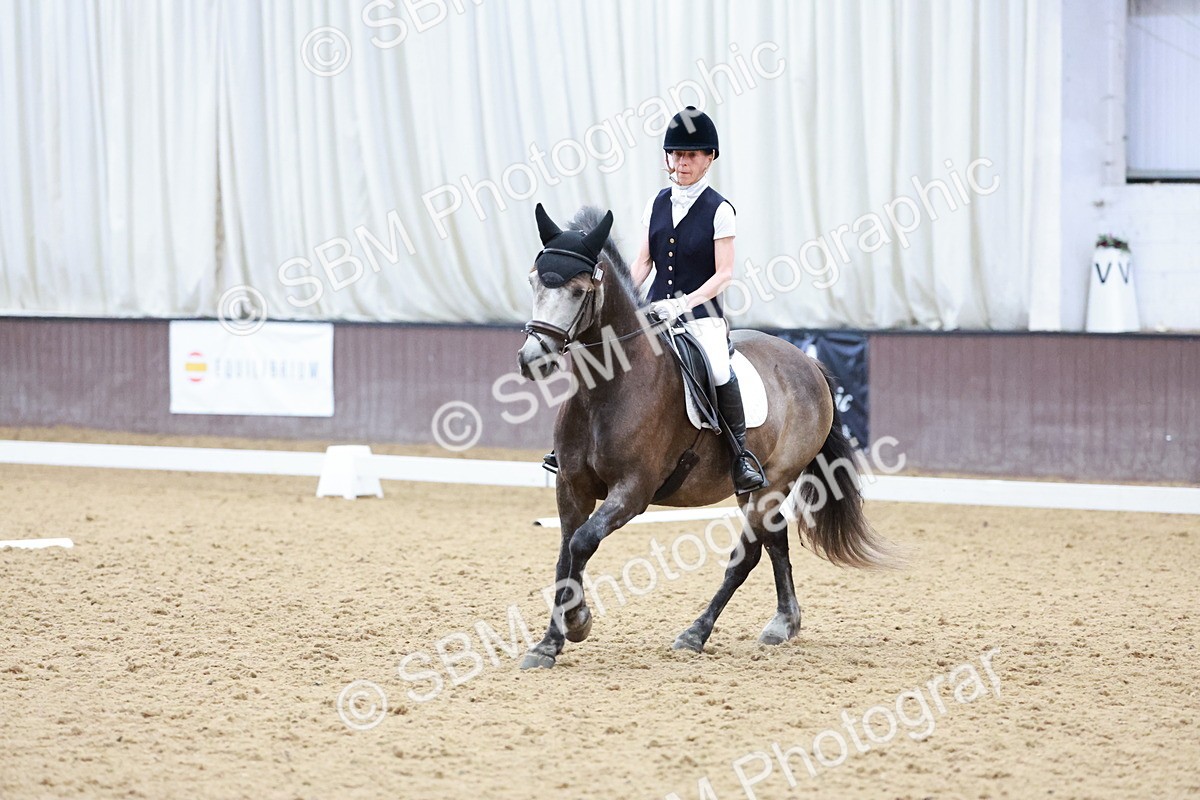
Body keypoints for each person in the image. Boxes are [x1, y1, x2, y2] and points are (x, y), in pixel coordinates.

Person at [543, 106, 767, 496]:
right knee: (602, 357)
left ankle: (740, 455)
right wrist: (621, 297)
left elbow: (724, 275)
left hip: (701, 317)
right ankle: (571, 444)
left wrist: (682, 304)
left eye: (691, 155)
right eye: (676, 155)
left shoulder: (720, 210)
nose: (682, 163)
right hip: (653, 311)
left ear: (709, 158)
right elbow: (644, 263)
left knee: (717, 368)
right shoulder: (657, 203)